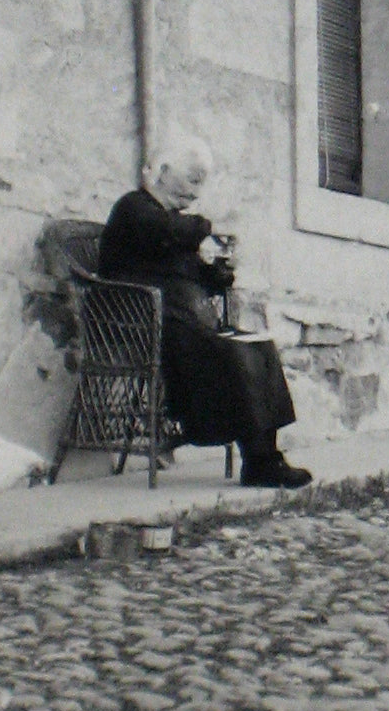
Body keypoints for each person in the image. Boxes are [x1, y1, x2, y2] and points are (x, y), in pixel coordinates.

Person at [98, 134, 312, 489]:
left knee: (256, 345)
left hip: (178, 321)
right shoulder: (134, 208)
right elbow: (171, 231)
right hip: (141, 325)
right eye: (192, 181)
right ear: (163, 172)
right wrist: (206, 229)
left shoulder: (170, 219)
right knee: (229, 353)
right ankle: (260, 461)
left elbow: (188, 268)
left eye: (200, 184)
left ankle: (264, 457)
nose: (196, 193)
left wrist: (217, 274)